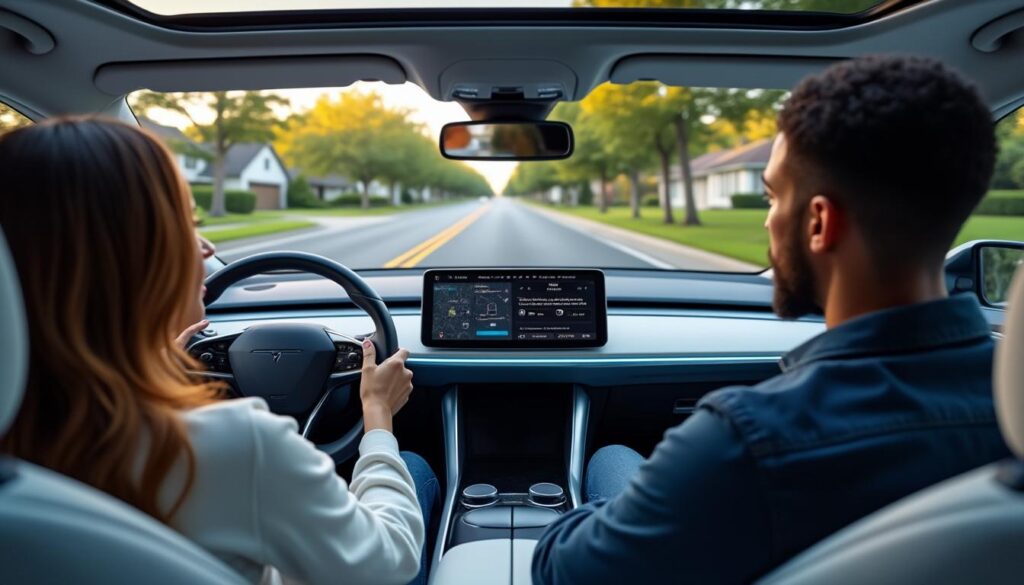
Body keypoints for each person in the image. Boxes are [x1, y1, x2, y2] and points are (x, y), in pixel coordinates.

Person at [532, 55, 1012, 584]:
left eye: (772, 195)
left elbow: (561, 571)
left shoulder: (746, 443)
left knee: (613, 457)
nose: (767, 218)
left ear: (818, 222)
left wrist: (621, 506)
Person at [0, 117, 438, 585]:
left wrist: (151, 368)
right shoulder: (233, 446)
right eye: (189, 224)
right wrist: (376, 415)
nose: (207, 250)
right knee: (410, 469)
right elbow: (387, 562)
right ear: (141, 260)